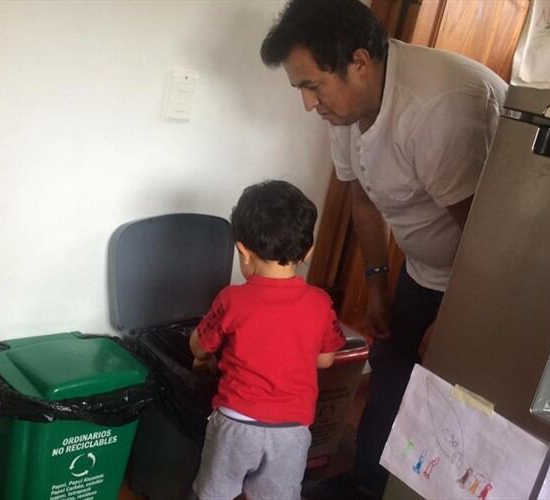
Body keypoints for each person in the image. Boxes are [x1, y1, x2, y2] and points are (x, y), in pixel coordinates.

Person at [260, 0, 507, 498]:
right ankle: (369, 483)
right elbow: (363, 197)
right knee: (393, 369)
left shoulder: (437, 110)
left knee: (449, 402)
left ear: (359, 63)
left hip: (489, 279)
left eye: (313, 86)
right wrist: (375, 284)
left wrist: (458, 318)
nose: (309, 104)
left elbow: (486, 235)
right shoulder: (348, 109)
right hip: (424, 266)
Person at [189, 180, 347, 500]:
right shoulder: (320, 302)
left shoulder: (232, 299)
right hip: (292, 431)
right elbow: (326, 359)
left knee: (213, 494)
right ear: (308, 251)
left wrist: (202, 359)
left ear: (243, 252)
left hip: (236, 426)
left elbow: (199, 345)